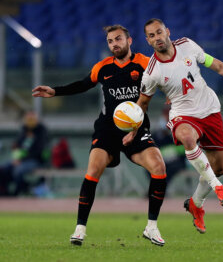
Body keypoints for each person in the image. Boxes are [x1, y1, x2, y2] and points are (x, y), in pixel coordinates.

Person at [123, 18, 223, 234]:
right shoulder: (152, 72)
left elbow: (219, 67)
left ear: (168, 31)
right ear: (147, 40)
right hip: (183, 115)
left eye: (159, 32)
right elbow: (142, 104)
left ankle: (195, 204)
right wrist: (133, 131)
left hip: (210, 110)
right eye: (151, 35)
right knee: (186, 137)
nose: (157, 38)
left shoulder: (187, 45)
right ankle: (217, 188)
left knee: (220, 167)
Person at [32, 25, 167, 246]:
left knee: (159, 168)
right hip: (107, 130)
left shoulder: (144, 63)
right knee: (93, 170)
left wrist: (172, 97)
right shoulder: (102, 67)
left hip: (137, 128)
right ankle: (79, 229)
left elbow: (165, 81)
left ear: (129, 40)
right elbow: (82, 85)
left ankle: (151, 227)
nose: (115, 44)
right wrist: (56, 91)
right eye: (110, 41)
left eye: (118, 39)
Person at [0, 110, 49, 196]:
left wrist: (22, 159)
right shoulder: (23, 130)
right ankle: (5, 192)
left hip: (35, 161)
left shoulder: (41, 131)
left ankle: (18, 192)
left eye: (32, 118)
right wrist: (16, 159)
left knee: (18, 171)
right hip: (20, 161)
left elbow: (39, 151)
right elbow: (17, 146)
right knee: (3, 169)